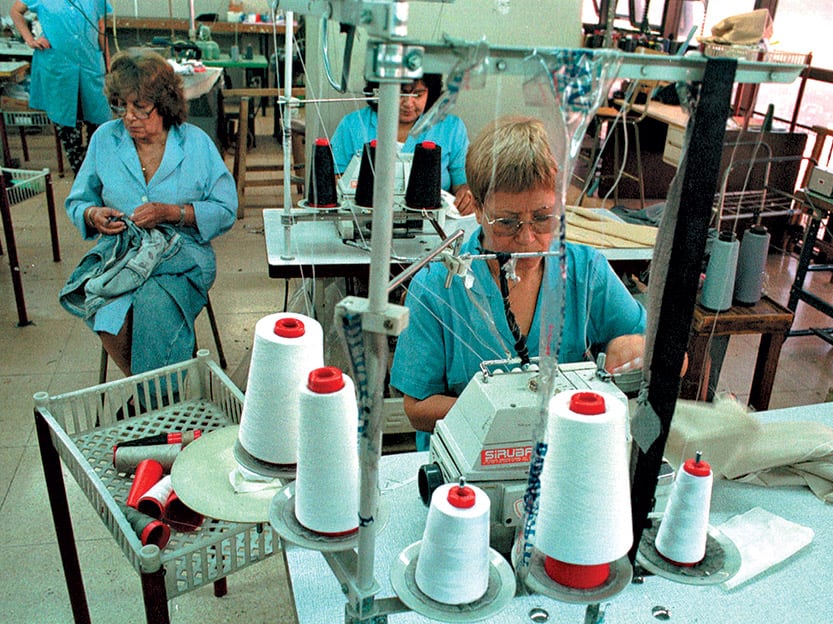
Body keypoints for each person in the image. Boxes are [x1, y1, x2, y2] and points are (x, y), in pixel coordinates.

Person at [390, 116, 647, 450]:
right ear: (477, 209)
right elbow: (417, 409)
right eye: (507, 222)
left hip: (561, 452)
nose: (527, 238)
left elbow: (673, 360)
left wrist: (638, 349)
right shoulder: (436, 286)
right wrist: (509, 419)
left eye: (543, 218)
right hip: (465, 459)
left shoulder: (585, 271)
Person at [60, 50, 237, 381]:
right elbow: (78, 200)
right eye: (121, 106)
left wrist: (173, 212)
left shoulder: (195, 143)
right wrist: (92, 214)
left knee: (154, 304)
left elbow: (227, 209)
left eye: (139, 107)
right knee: (104, 304)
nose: (128, 117)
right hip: (122, 251)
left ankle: (149, 399)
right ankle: (152, 396)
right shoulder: (105, 140)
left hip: (184, 251)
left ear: (164, 103)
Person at [330, 74, 474, 215]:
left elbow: (462, 184)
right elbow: (335, 184)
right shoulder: (352, 125)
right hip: (365, 221)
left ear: (430, 92)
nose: (408, 103)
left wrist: (466, 195)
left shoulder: (451, 128)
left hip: (431, 225)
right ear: (379, 90)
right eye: (400, 93)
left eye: (418, 94)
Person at [10, 0, 112, 174]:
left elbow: (101, 29)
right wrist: (30, 39)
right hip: (59, 70)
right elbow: (16, 12)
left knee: (100, 127)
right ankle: (81, 181)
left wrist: (109, 65)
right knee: (69, 132)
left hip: (91, 67)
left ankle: (94, 175)